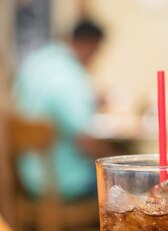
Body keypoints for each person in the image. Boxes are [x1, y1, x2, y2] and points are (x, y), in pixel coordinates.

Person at [13, 19, 106, 200]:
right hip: (59, 183)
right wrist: (113, 157)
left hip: (25, 175)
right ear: (91, 45)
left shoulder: (37, 60)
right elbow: (86, 141)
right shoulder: (69, 76)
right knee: (123, 184)